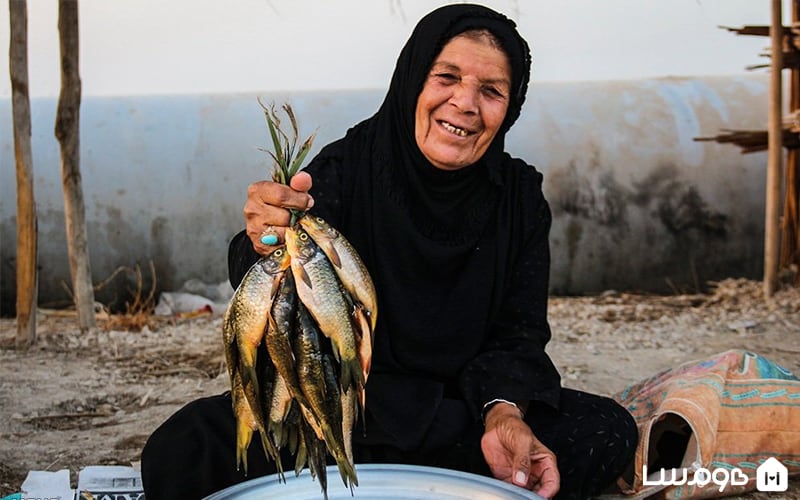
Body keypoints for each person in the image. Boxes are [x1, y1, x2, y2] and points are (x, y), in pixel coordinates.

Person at [141, 4, 638, 499]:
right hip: (341, 407)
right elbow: (266, 278)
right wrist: (265, 235)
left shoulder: (519, 198)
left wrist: (503, 415)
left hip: (458, 414)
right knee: (183, 448)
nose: (465, 102)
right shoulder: (348, 167)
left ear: (511, 107)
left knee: (606, 430)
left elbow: (519, 335)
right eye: (447, 77)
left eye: (491, 91)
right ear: (412, 79)